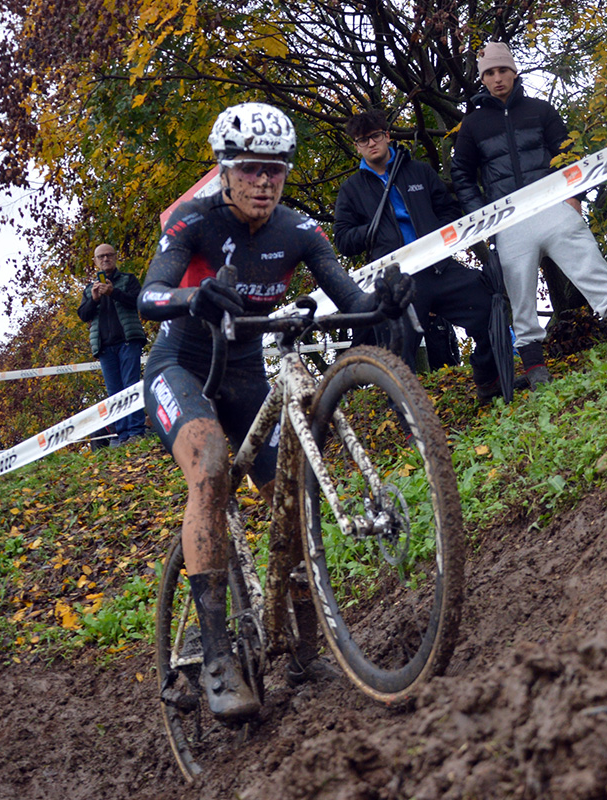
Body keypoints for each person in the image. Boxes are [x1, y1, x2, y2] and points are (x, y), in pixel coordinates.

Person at [137, 102, 412, 721]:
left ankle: (303, 633)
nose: (265, 182)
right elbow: (148, 297)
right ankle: (215, 655)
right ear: (227, 170)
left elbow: (351, 299)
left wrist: (385, 303)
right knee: (209, 465)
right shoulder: (193, 222)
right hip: (180, 369)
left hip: (241, 378)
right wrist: (192, 295)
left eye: (277, 171)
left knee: (294, 485)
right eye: (253, 169)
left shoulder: (299, 231)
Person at [450, 41, 607, 389]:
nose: (497, 79)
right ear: (483, 78)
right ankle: (537, 371)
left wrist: (575, 196)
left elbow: (567, 152)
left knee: (591, 267)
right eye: (489, 73)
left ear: (513, 72)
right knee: (520, 295)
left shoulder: (540, 110)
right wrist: (481, 219)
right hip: (508, 220)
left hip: (553, 206)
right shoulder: (473, 125)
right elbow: (461, 173)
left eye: (502, 71)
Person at [334, 111, 503, 403]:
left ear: (387, 136)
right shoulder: (352, 189)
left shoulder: (419, 171)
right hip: (397, 280)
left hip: (439, 267)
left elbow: (449, 210)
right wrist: (371, 231)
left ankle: (488, 380)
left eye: (376, 136)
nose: (371, 143)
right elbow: (343, 240)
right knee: (398, 352)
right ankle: (411, 420)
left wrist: (435, 237)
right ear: (357, 146)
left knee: (489, 306)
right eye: (363, 140)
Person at [78, 243, 147, 444]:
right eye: (101, 257)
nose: (105, 259)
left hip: (128, 341)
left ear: (116, 257)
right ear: (95, 261)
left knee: (131, 386)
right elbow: (83, 315)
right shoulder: (90, 289)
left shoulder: (128, 280)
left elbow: (139, 302)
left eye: (109, 255)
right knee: (114, 393)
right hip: (104, 347)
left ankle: (136, 432)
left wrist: (113, 292)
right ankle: (122, 435)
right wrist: (94, 299)